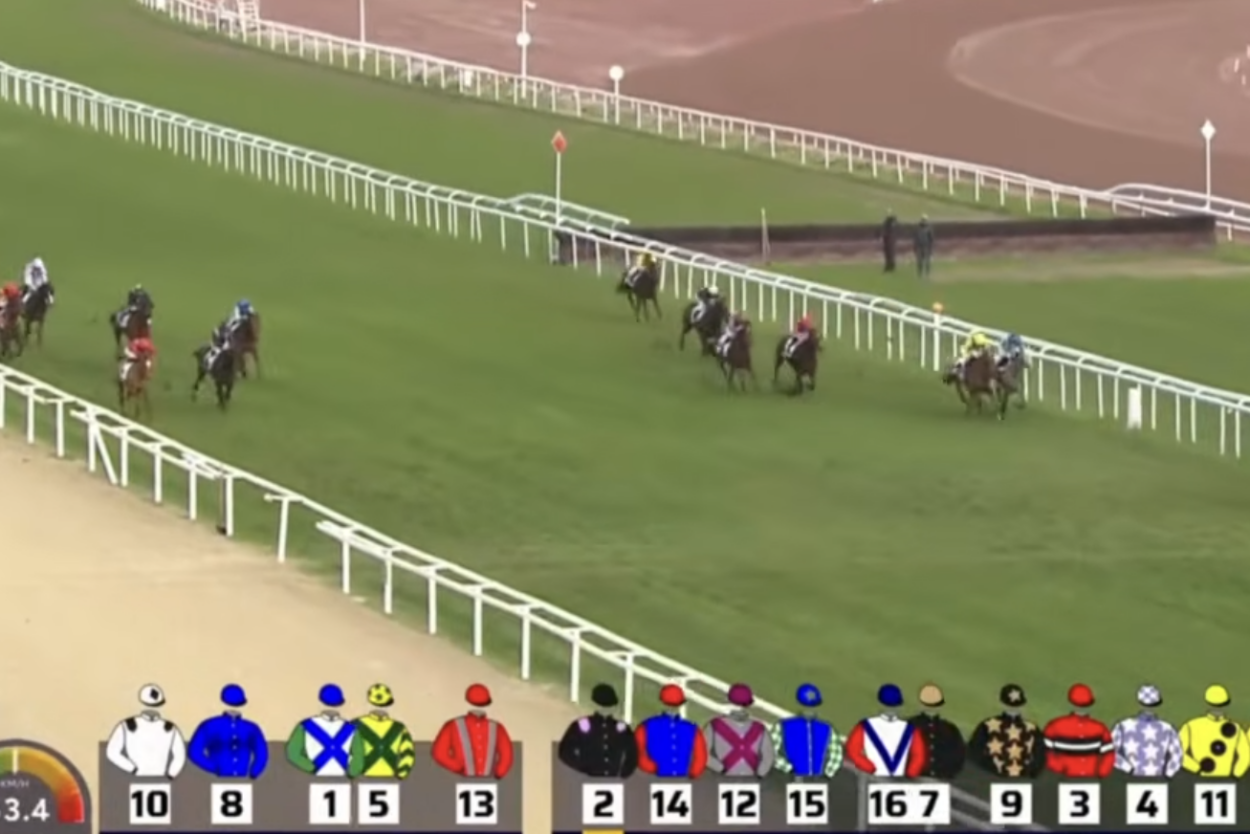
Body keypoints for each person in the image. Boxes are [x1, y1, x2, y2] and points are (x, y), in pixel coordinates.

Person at [104, 684, 187, 778]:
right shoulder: (127, 725)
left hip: (160, 779)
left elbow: (180, 755)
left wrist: (171, 774)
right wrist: (132, 768)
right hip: (135, 779)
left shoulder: (170, 728)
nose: (152, 709)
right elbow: (112, 752)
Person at [557, 683, 638, 778]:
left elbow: (633, 754)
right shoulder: (581, 725)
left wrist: (624, 773)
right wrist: (581, 768)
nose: (605, 709)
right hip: (589, 779)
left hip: (612, 781)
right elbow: (565, 751)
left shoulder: (622, 729)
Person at [1112, 685, 1182, 778]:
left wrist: (1128, 769)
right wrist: (1168, 775)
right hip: (1158, 780)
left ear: (1139, 703)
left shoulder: (1122, 726)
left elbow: (1110, 753)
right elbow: (1177, 755)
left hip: (1130, 780)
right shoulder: (1168, 728)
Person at [907, 683, 966, 779]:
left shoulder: (950, 730)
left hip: (941, 779)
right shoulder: (907, 726)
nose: (931, 708)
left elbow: (959, 757)